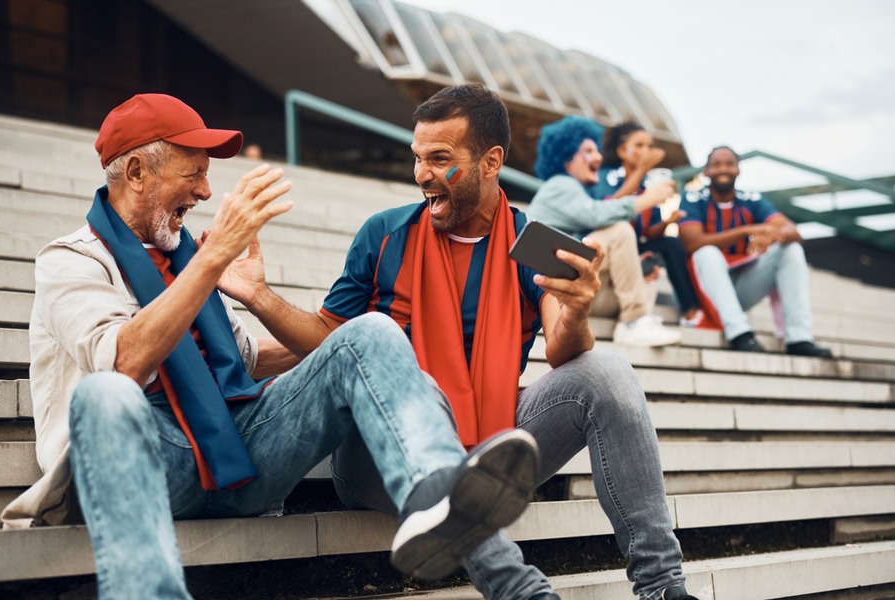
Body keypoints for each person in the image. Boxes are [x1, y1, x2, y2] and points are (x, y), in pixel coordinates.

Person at [0, 93, 542, 599]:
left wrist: (290, 313)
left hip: (238, 451)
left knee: (372, 332)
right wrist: (213, 260)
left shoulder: (185, 254)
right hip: (150, 457)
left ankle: (461, 526)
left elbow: (247, 361)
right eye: (194, 173)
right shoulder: (71, 260)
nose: (206, 192)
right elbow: (124, 361)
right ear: (137, 172)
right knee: (104, 395)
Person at [222, 85, 698, 600]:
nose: (421, 173)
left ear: (491, 162)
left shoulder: (534, 242)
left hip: (496, 443)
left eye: (440, 159)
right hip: (377, 458)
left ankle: (663, 587)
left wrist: (579, 311)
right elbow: (331, 339)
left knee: (609, 372)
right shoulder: (383, 234)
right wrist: (259, 297)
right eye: (418, 157)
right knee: (420, 384)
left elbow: (563, 349)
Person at [526, 116, 682, 347]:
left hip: (577, 292)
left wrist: (635, 266)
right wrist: (645, 200)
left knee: (647, 274)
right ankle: (633, 322)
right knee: (619, 230)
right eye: (589, 151)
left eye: (597, 150)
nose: (599, 157)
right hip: (552, 293)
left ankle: (636, 323)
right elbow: (596, 215)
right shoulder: (559, 184)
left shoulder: (579, 192)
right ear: (566, 157)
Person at [678, 145, 833, 357]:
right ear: (706, 171)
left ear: (738, 170)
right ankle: (740, 334)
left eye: (729, 164)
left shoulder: (750, 198)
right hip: (704, 290)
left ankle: (799, 338)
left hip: (741, 286)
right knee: (707, 252)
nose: (723, 169)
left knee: (791, 248)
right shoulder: (693, 197)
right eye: (716, 164)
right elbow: (691, 243)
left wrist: (770, 236)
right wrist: (746, 231)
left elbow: (793, 231)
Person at [593, 122, 704, 327]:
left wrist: (667, 222)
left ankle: (691, 310)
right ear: (621, 151)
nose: (646, 151)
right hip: (606, 245)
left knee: (671, 243)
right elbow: (607, 210)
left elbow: (649, 233)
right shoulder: (605, 176)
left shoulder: (647, 184)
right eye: (639, 145)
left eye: (649, 146)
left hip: (634, 246)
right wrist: (640, 171)